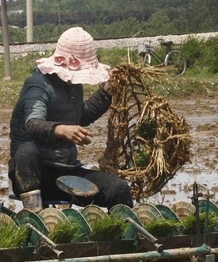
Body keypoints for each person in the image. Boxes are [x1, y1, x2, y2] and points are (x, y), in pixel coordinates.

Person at [8, 27, 133, 210]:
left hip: (66, 172)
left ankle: (119, 234)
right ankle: (34, 217)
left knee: (119, 189)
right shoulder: (38, 85)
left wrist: (106, 91)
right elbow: (32, 124)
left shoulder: (73, 85)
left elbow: (80, 116)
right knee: (27, 150)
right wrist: (61, 130)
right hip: (35, 175)